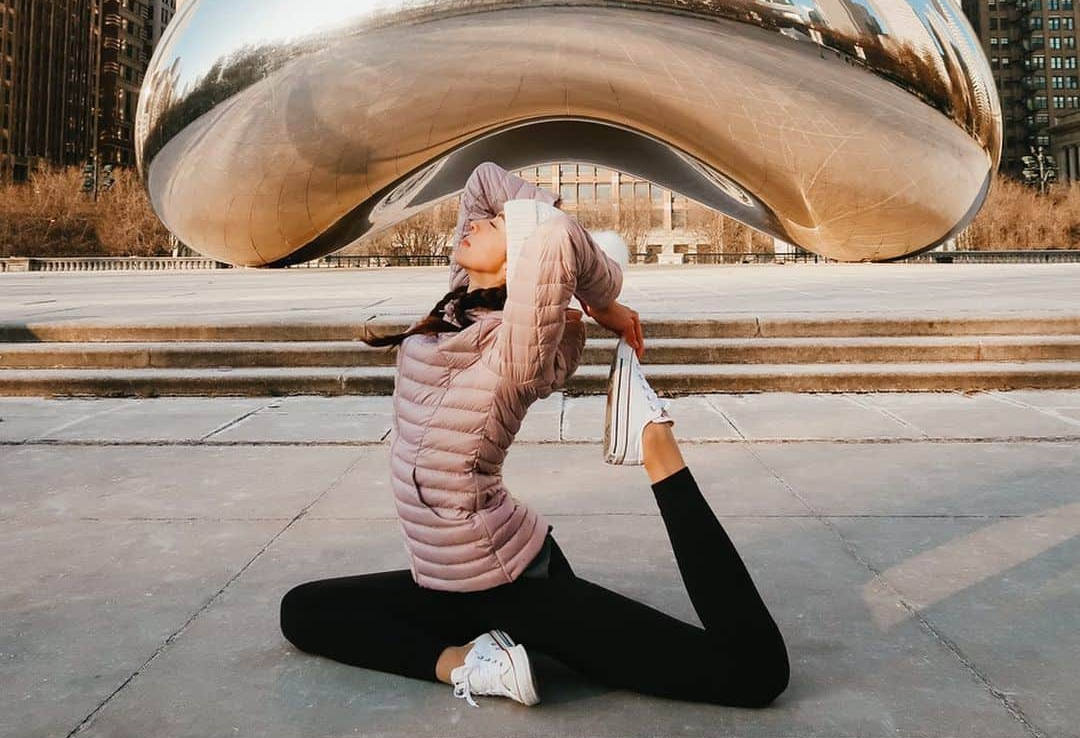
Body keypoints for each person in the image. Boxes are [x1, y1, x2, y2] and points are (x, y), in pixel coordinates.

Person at [279, 161, 789, 709]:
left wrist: (602, 299)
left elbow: (551, 237)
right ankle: (466, 661)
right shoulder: (457, 307)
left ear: (518, 264)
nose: (475, 224)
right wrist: (524, 212)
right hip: (445, 582)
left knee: (751, 672)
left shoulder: (513, 349)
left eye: (497, 225)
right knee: (302, 610)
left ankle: (658, 448)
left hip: (515, 584)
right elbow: (481, 179)